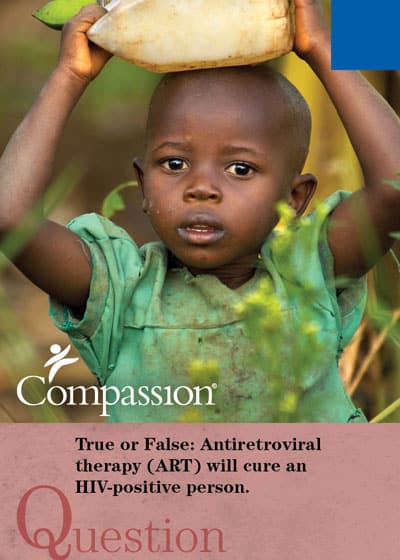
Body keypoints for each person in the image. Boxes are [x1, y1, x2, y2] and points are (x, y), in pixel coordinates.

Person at [0, 0, 399, 422]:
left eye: (239, 169)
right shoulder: (118, 293)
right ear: (143, 185)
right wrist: (70, 76)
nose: (201, 188)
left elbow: (393, 190)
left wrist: (322, 46)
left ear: (296, 199)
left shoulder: (309, 273)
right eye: (175, 164)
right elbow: (10, 219)